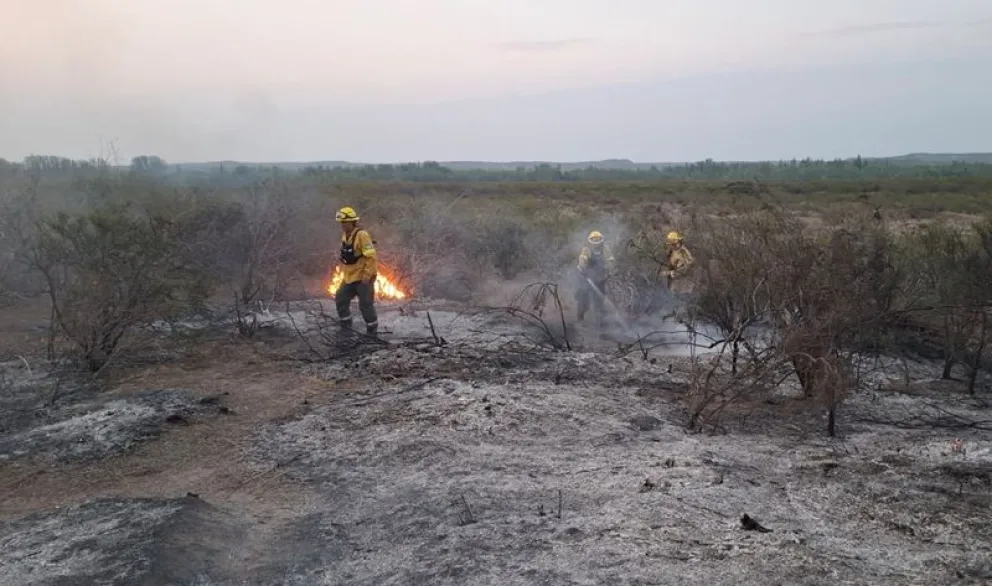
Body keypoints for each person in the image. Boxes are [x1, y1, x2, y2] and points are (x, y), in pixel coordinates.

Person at [334, 206, 379, 336]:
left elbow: (371, 256)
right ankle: (346, 328)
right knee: (341, 299)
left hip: (363, 276)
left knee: (365, 304)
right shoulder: (345, 235)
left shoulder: (362, 235)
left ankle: (372, 332)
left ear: (352, 222)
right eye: (341, 223)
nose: (342, 225)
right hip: (350, 277)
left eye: (345, 222)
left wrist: (367, 275)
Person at [576, 230, 615, 327]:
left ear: (602, 241)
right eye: (594, 241)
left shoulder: (605, 249)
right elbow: (582, 259)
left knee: (599, 302)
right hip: (586, 279)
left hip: (600, 279)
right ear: (590, 242)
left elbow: (610, 261)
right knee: (583, 300)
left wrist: (610, 271)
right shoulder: (586, 249)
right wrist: (582, 268)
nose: (596, 244)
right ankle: (580, 320)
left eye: (598, 241)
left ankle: (599, 322)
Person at [662, 230, 695, 295]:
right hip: (673, 288)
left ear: (680, 242)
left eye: (675, 244)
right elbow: (664, 270)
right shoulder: (670, 253)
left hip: (684, 288)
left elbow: (688, 266)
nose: (673, 246)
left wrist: (674, 272)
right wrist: (668, 273)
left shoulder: (684, 252)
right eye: (671, 244)